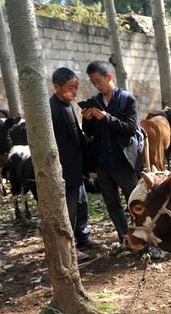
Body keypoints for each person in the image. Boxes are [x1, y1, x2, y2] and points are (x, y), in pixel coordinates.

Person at [81, 60, 141, 247]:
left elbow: (130, 128)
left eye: (98, 81)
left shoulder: (126, 99)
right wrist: (87, 119)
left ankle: (145, 239)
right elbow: (90, 133)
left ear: (109, 77)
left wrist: (107, 117)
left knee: (136, 203)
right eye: (93, 82)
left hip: (123, 162)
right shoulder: (96, 101)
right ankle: (124, 239)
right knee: (112, 204)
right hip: (103, 163)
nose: (97, 86)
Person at [50, 67, 103, 260]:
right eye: (71, 87)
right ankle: (69, 247)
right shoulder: (52, 108)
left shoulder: (68, 105)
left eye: (76, 87)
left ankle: (83, 237)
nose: (75, 91)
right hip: (65, 170)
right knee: (69, 210)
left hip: (76, 168)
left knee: (81, 205)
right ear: (57, 87)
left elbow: (77, 136)